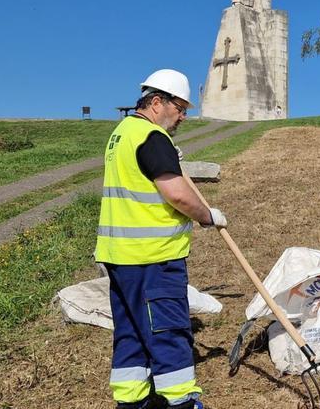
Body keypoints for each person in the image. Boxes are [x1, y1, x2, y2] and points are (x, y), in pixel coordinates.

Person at [95, 69, 228, 409]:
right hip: (153, 259)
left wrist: (168, 156)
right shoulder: (153, 139)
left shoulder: (122, 133)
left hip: (119, 257)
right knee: (169, 332)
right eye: (180, 108)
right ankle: (182, 401)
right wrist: (207, 215)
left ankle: (132, 402)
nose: (183, 116)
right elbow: (178, 195)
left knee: (131, 334)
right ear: (157, 102)